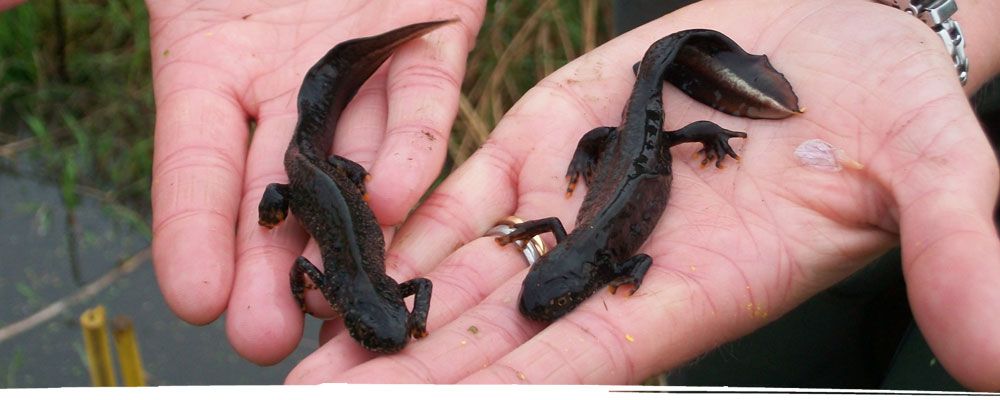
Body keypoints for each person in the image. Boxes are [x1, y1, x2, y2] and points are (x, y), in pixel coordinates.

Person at [143, 0, 1000, 389]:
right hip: (332, 180)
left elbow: (624, 246)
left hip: (659, 146)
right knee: (760, 361)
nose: (401, 326)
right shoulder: (347, 285)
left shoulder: (362, 290)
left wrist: (928, 23)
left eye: (391, 324)